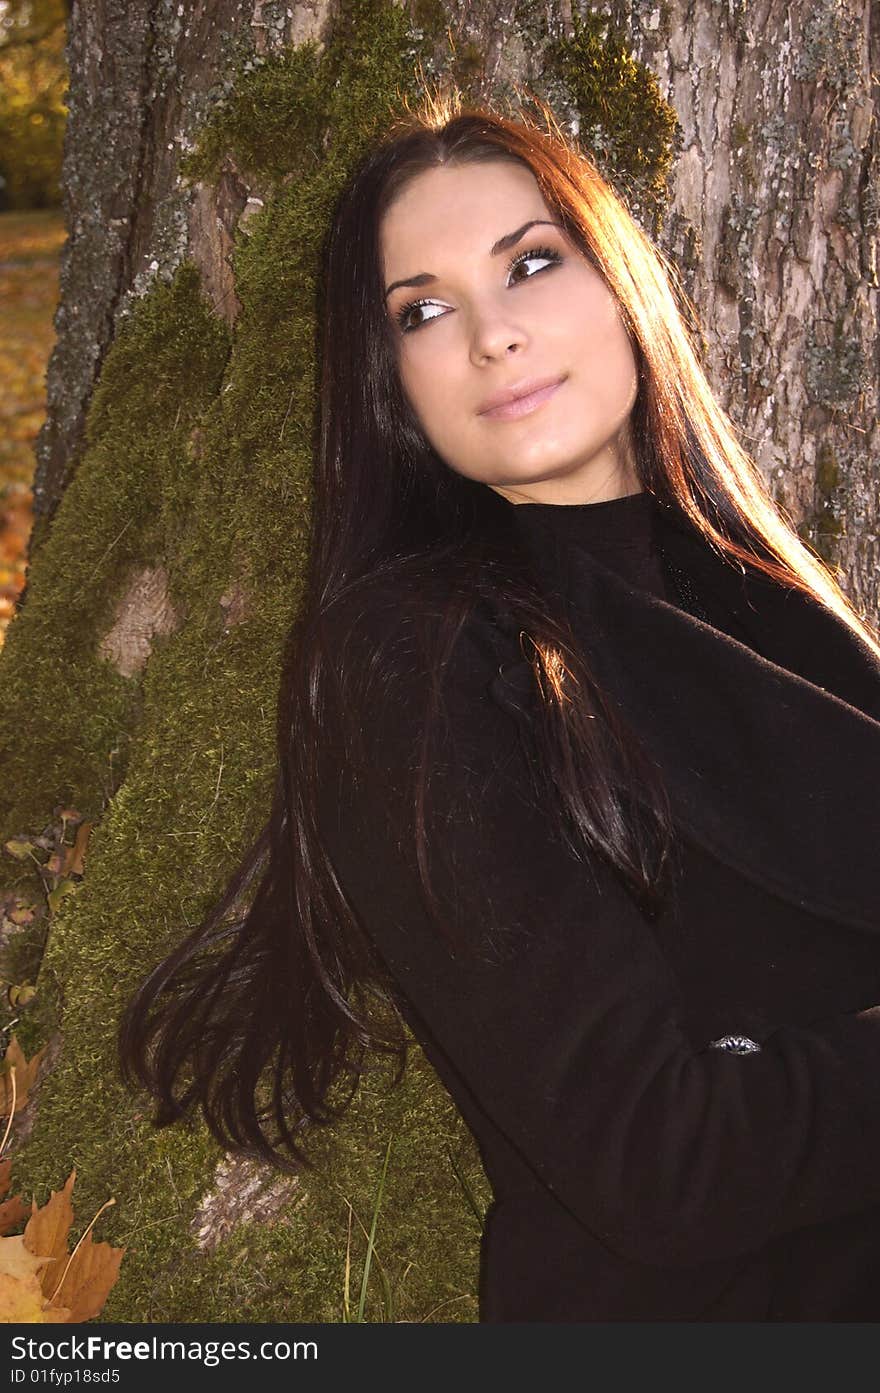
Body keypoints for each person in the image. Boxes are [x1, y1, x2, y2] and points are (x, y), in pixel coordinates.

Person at [119, 93, 880, 1321]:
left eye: (530, 264)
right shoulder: (414, 660)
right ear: (386, 384)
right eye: (422, 310)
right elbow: (660, 1160)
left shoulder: (768, 599)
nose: (492, 336)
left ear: (619, 282)